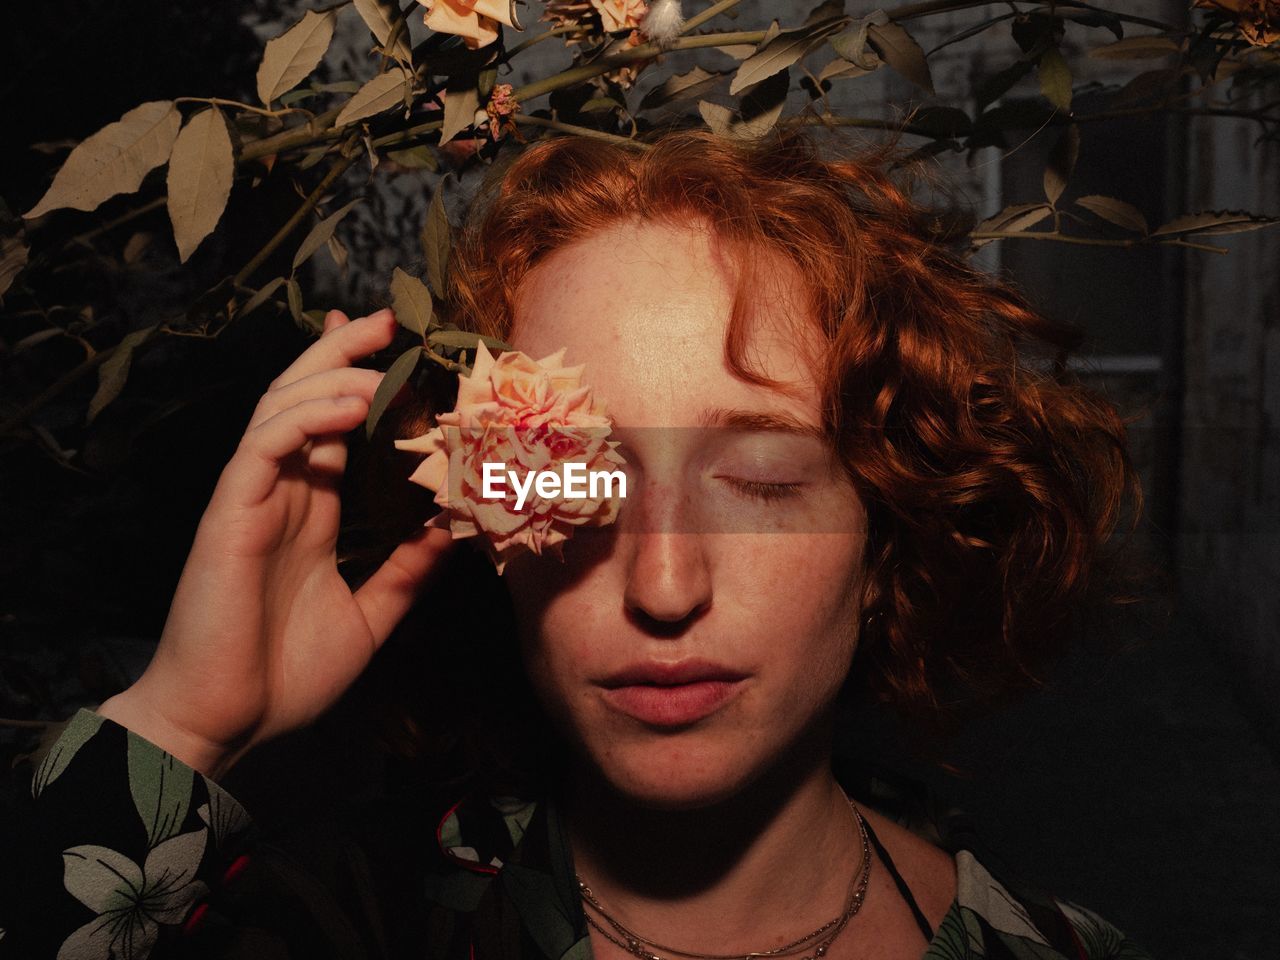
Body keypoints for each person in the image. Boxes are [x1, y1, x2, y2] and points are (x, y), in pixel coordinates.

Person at [0, 128, 1154, 960]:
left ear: (883, 532)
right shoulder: (333, 923)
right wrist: (187, 720)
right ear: (484, 522)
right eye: (576, 484)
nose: (663, 583)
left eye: (757, 479)